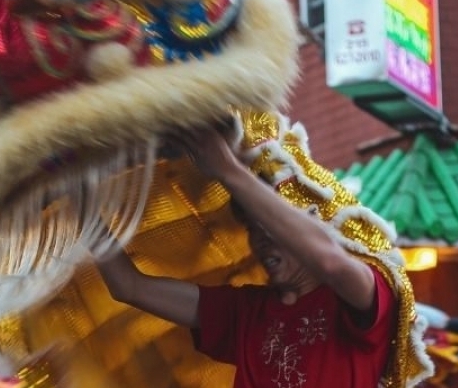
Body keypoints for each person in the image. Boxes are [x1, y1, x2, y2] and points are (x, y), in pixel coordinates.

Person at [94, 121, 405, 388]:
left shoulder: (362, 296)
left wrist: (228, 169)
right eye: (253, 229)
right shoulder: (246, 311)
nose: (262, 240)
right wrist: (86, 212)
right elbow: (128, 286)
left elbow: (331, 264)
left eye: (273, 228)